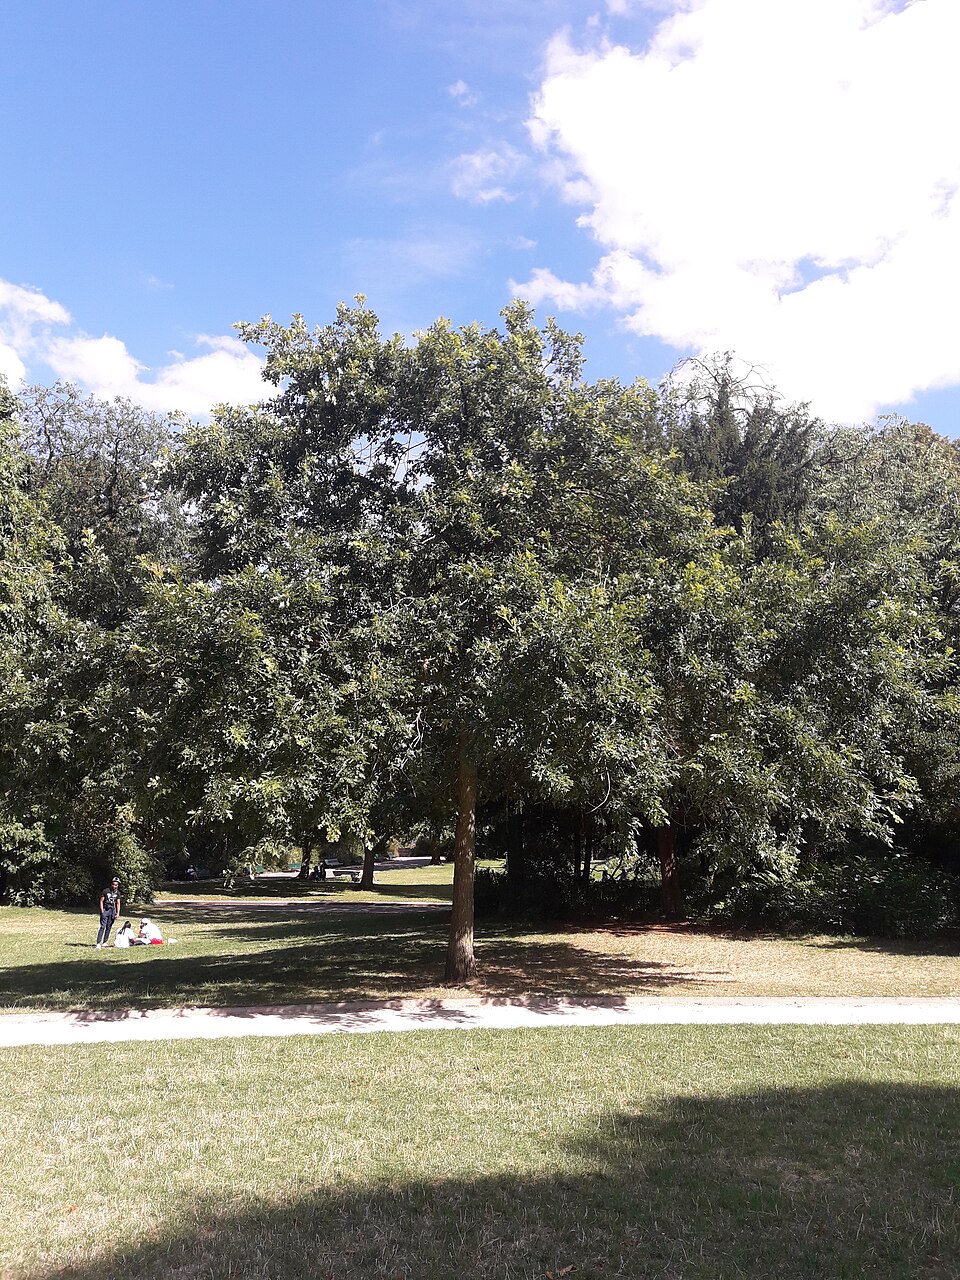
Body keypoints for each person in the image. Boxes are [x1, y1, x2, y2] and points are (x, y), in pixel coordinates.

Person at [96, 877, 121, 948]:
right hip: (106, 909)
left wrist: (117, 913)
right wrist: (102, 910)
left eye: (116, 885)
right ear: (111, 884)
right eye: (113, 884)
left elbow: (118, 903)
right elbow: (101, 901)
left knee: (109, 926)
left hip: (112, 910)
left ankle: (105, 942)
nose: (114, 886)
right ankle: (98, 943)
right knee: (102, 926)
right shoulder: (106, 891)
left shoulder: (118, 893)